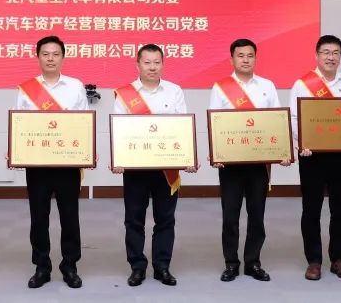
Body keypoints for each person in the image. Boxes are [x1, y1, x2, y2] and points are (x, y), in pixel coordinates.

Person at [289, 35, 341, 281]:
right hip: (312, 156)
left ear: (340, 56)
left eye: (335, 52)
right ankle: (314, 261)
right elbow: (294, 118)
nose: (330, 57)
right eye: (326, 52)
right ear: (316, 55)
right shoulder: (302, 84)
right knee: (311, 210)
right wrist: (303, 142)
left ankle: (338, 259)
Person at [112, 44, 195, 287]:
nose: (152, 67)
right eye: (147, 62)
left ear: (163, 64)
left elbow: (182, 127)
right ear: (137, 64)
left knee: (165, 219)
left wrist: (188, 157)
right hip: (135, 168)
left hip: (166, 169)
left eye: (157, 62)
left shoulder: (174, 91)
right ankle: (137, 267)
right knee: (134, 219)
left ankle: (162, 267)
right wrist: (118, 159)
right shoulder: (125, 94)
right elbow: (119, 129)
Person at [208, 38, 289, 282]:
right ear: (232, 59)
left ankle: (253, 262)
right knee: (230, 216)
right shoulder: (221, 88)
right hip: (230, 163)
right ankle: (231, 263)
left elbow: (277, 121)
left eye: (250, 55)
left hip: (258, 163)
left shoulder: (267, 86)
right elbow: (215, 122)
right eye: (240, 55)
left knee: (257, 214)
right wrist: (215, 153)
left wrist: (283, 151)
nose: (245, 60)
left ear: (256, 58)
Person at [14, 36, 88, 289]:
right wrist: (16, 151)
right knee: (38, 217)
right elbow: (20, 125)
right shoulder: (27, 89)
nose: (50, 59)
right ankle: (42, 267)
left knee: (70, 216)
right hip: (37, 165)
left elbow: (83, 124)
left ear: (63, 57)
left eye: (56, 54)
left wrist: (86, 151)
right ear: (38, 57)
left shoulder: (75, 86)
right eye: (45, 54)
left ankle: (70, 266)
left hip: (67, 164)